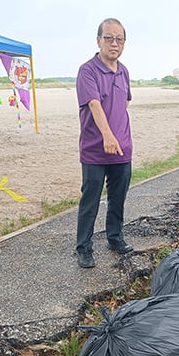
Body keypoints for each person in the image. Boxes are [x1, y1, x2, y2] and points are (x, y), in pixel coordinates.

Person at [75, 18, 133, 268]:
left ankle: (115, 238)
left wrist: (119, 134)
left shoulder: (124, 71)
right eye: (108, 37)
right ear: (98, 40)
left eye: (119, 39)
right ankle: (84, 247)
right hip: (95, 151)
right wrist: (107, 135)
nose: (114, 43)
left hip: (123, 149)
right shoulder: (87, 70)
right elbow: (94, 103)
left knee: (117, 198)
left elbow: (125, 102)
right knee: (90, 200)